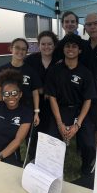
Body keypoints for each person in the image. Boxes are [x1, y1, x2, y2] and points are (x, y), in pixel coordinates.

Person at [45, 34, 96, 175]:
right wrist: (60, 123)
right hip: (60, 110)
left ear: (80, 50)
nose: (70, 49)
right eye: (67, 46)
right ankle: (52, 170)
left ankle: (86, 168)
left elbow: (88, 100)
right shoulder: (54, 70)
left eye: (74, 46)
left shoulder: (86, 72)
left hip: (80, 111)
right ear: (63, 49)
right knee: (51, 140)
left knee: (89, 144)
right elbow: (52, 98)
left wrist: (77, 124)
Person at [24, 30, 58, 160]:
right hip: (34, 102)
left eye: (49, 44)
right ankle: (32, 158)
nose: (46, 47)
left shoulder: (59, 60)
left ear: (54, 45)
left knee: (50, 133)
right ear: (39, 45)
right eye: (43, 44)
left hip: (54, 102)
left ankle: (49, 160)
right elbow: (26, 79)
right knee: (33, 131)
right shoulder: (30, 60)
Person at [0, 38, 42, 126]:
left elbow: (35, 93)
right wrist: (0, 108)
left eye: (23, 49)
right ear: (11, 49)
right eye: (17, 48)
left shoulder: (31, 70)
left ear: (26, 52)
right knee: (9, 135)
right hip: (9, 108)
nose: (20, 51)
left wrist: (36, 112)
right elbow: (0, 91)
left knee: (28, 136)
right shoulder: (2, 69)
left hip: (27, 109)